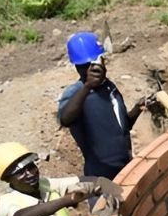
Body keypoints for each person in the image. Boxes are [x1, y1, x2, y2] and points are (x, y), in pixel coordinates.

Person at [57, 31, 150, 183]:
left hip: (126, 169)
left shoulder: (109, 87)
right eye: (84, 66)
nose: (91, 69)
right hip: (102, 179)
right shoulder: (76, 93)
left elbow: (120, 128)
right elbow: (65, 120)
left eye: (94, 64)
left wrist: (138, 109)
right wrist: (87, 87)